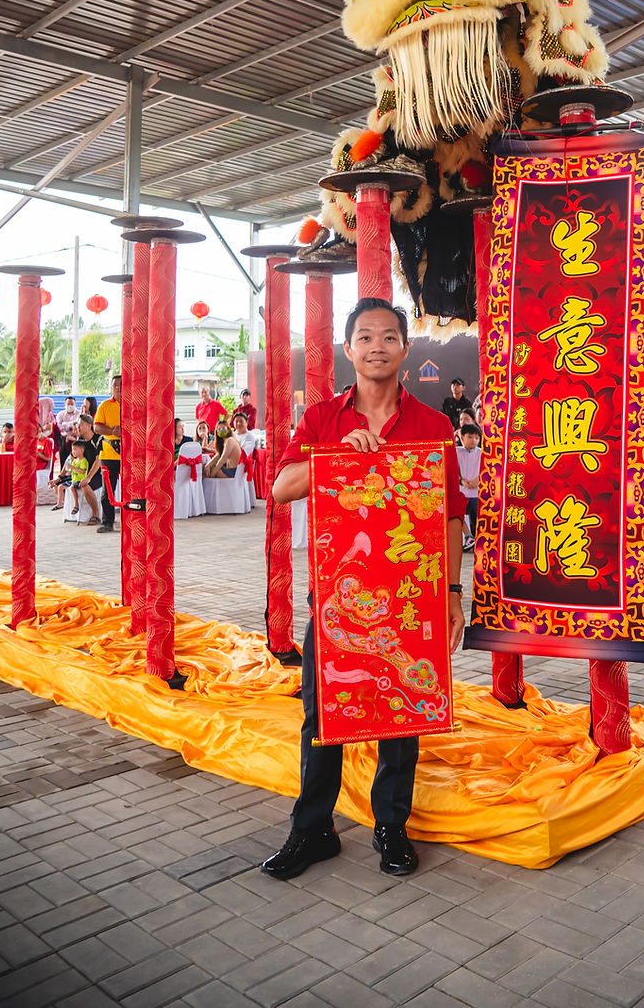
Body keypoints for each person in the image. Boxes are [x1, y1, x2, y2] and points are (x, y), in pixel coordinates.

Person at [261, 297, 465, 882]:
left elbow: (451, 514)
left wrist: (453, 592)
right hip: (338, 598)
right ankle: (312, 830)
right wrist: (334, 459)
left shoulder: (434, 426)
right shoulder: (323, 418)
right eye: (366, 337)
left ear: (405, 348)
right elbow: (280, 488)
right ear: (349, 350)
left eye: (389, 336)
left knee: (405, 711)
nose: (378, 346)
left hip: (410, 598)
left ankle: (390, 826)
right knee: (321, 716)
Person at [94, 376, 123, 533]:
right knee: (108, 490)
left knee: (131, 489)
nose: (118, 388)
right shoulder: (105, 405)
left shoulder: (133, 405)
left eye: (121, 385)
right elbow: (97, 428)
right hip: (108, 453)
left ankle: (130, 520)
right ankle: (107, 522)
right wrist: (112, 430)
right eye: (115, 385)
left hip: (129, 455)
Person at [51, 439, 100, 521]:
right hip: (73, 479)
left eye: (75, 450)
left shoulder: (83, 461)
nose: (73, 452)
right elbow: (68, 466)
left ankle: (78, 506)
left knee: (74, 487)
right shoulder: (74, 460)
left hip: (80, 480)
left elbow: (83, 471)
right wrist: (63, 474)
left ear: (81, 450)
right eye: (72, 450)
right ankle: (61, 504)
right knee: (61, 486)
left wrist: (73, 468)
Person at [456, 422, 481, 550]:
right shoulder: (457, 452)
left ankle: (477, 541)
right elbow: (453, 469)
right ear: (462, 437)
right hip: (462, 491)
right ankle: (467, 539)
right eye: (470, 437)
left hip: (477, 492)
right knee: (460, 516)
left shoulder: (482, 453)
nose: (473, 440)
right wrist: (462, 481)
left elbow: (486, 469)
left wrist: (477, 480)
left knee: (477, 519)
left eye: (476, 437)